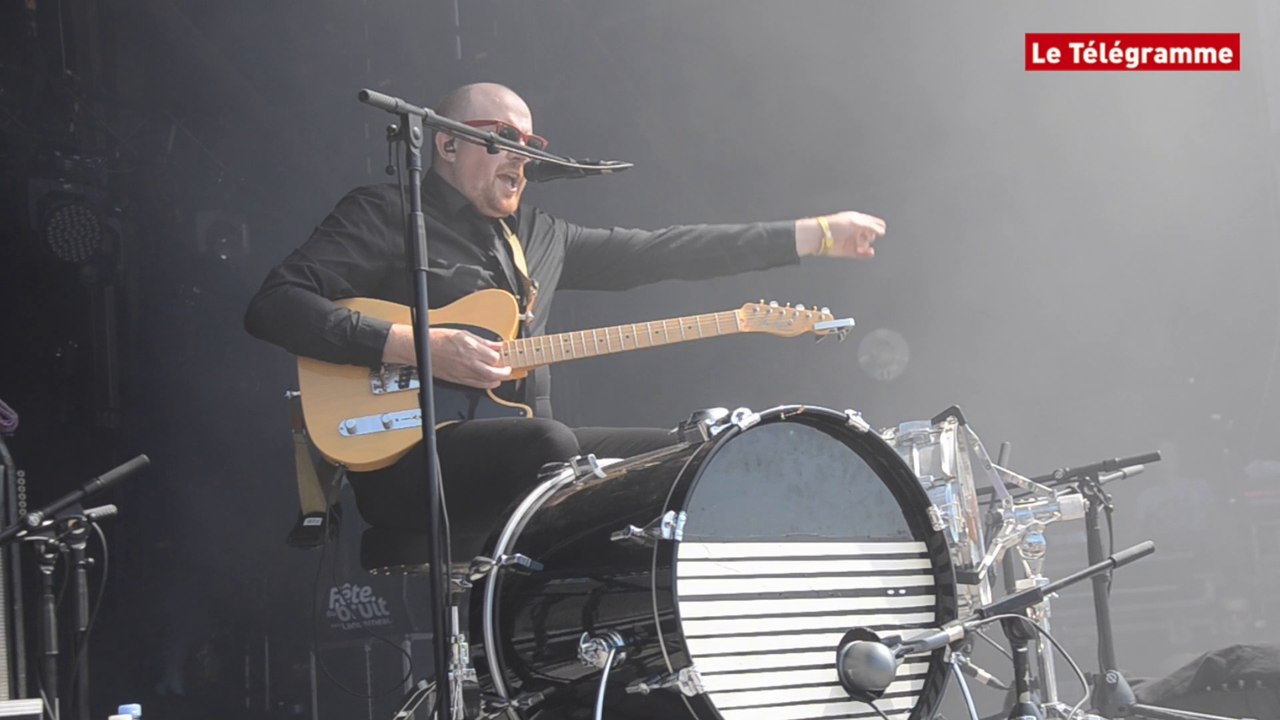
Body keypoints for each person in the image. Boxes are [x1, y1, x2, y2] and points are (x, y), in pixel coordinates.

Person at [244, 82, 885, 554]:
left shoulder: (542, 237)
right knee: (550, 443)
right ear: (445, 142)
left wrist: (814, 234)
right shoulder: (385, 214)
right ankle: (559, 574)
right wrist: (417, 344)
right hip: (404, 460)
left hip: (518, 445)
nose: (522, 156)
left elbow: (667, 250)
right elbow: (275, 305)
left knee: (697, 452)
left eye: (531, 145)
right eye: (504, 140)